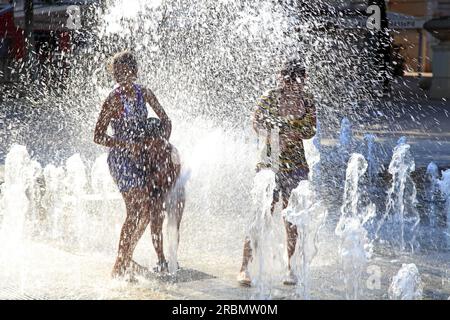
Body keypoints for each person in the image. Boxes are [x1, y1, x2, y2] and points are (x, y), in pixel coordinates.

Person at [237, 60, 317, 286]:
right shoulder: (270, 97)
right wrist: (276, 132)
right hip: (269, 166)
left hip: (296, 166)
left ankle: (290, 268)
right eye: (288, 79)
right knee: (261, 216)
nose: (293, 85)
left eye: (297, 80)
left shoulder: (307, 100)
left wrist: (287, 131)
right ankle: (244, 267)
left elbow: (311, 129)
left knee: (291, 219)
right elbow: (256, 123)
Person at [93, 50, 172, 278]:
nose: (120, 76)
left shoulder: (144, 93)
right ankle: (120, 263)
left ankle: (125, 259)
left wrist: (159, 143)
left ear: (134, 72)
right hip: (121, 159)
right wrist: (125, 144)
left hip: (143, 159)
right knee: (137, 206)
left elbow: (166, 121)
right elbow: (97, 136)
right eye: (117, 72)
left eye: (125, 71)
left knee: (145, 212)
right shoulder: (113, 99)